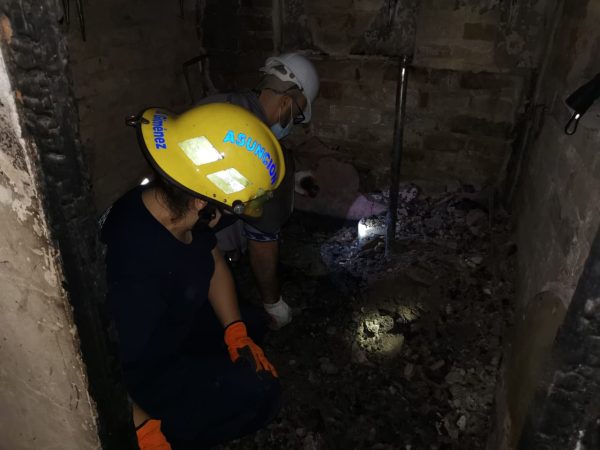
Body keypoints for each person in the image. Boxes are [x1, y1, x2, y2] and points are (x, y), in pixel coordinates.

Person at [100, 103, 289, 449]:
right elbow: (100, 368)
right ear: (203, 202)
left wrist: (235, 333)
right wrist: (143, 430)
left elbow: (211, 259)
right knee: (263, 395)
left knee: (251, 323)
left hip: (173, 318)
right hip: (142, 373)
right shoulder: (133, 270)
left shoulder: (174, 204)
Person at [198, 52, 320, 330]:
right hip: (193, 254)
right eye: (297, 115)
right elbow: (263, 243)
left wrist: (290, 183)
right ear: (286, 102)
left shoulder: (219, 103)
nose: (293, 124)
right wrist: (273, 303)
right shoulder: (263, 151)